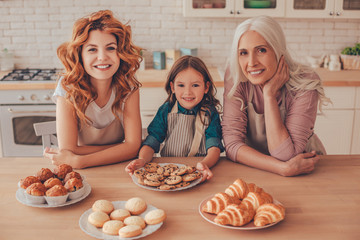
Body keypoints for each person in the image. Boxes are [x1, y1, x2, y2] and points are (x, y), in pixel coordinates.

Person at [222, 15, 330, 177]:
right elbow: (231, 145)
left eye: (261, 50)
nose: (251, 63)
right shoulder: (236, 76)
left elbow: (287, 155)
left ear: (278, 50)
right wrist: (281, 168)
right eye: (243, 53)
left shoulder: (306, 81)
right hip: (256, 169)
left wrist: (269, 95)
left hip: (303, 170)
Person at [43, 10, 142, 169]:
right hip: (86, 175)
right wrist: (124, 149)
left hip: (121, 169)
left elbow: (133, 147)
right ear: (80, 54)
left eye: (110, 48)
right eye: (92, 49)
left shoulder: (128, 86)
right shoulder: (68, 87)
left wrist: (80, 160)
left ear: (120, 53)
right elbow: (68, 150)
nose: (102, 57)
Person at [125, 56, 224, 181]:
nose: (188, 92)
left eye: (195, 85)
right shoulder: (166, 110)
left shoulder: (210, 113)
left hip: (198, 170)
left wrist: (205, 164)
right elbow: (152, 142)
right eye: (181, 85)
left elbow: (214, 148)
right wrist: (142, 160)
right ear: (172, 87)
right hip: (168, 172)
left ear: (206, 87)